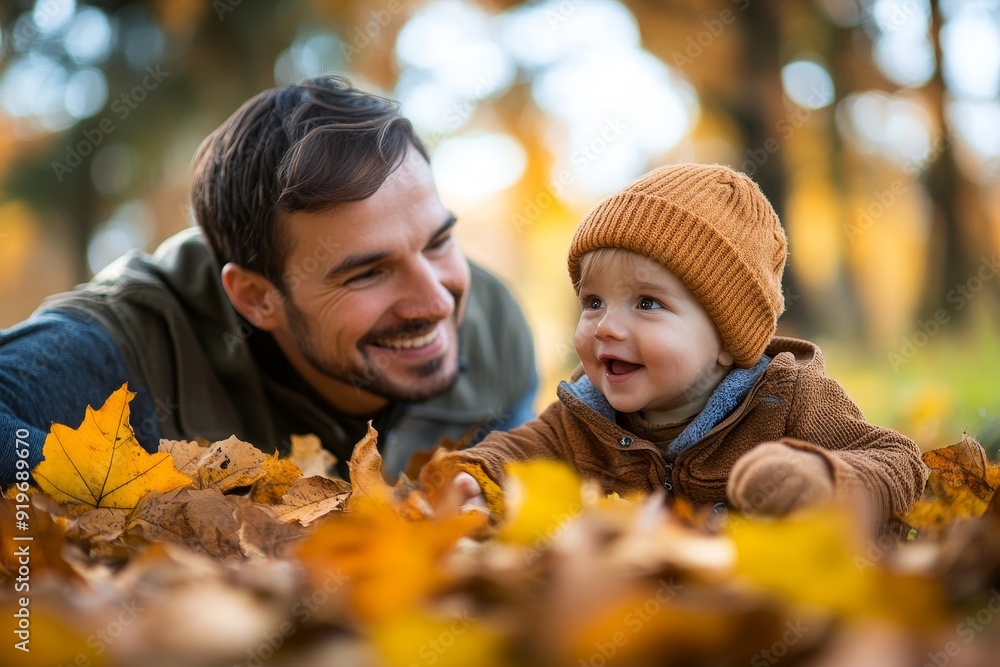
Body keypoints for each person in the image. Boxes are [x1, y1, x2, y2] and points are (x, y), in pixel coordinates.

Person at [0, 75, 537, 486]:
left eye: (438, 242)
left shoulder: (494, 326)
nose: (436, 300)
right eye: (368, 272)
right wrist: (168, 502)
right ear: (256, 298)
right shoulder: (130, 343)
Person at [429, 163, 924, 531]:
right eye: (594, 301)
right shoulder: (584, 418)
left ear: (728, 340)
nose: (605, 326)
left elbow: (899, 460)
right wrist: (474, 475)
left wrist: (825, 480)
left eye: (646, 303)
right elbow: (516, 450)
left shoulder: (788, 401)